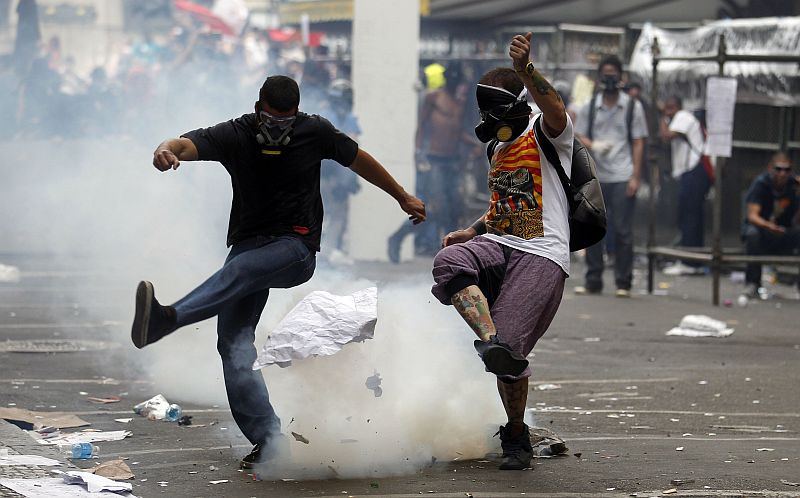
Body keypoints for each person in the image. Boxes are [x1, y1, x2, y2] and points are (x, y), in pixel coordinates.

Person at [131, 75, 425, 469]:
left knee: (242, 269)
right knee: (232, 343)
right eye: (271, 122)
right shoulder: (235, 133)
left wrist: (402, 195)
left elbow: (358, 159)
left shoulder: (315, 130)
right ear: (258, 110)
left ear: (297, 115)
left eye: (286, 124)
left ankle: (168, 319)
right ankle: (269, 441)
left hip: (295, 249)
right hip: (248, 244)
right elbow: (185, 144)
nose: (278, 132)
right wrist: (165, 150)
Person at [431, 32, 571, 470]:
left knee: (510, 359)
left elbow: (556, 108)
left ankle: (516, 434)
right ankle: (492, 342)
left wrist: (527, 69)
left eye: (494, 109)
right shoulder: (496, 146)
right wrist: (469, 231)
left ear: (513, 105)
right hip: (499, 242)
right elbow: (504, 205)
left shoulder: (546, 134)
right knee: (449, 261)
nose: (487, 118)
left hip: (543, 252)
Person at [575, 55, 648, 297]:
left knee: (623, 230)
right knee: (594, 228)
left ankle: (623, 283)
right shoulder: (590, 106)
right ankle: (593, 280)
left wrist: (635, 177)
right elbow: (578, 134)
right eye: (605, 73)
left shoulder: (632, 106)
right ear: (599, 78)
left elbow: (638, 142)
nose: (609, 78)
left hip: (622, 173)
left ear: (620, 78)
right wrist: (595, 145)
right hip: (596, 175)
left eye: (613, 73)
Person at [387, 62, 469, 262]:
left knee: (454, 209)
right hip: (434, 159)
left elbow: (456, 132)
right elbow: (422, 126)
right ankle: (398, 237)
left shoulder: (459, 103)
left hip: (452, 161)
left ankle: (448, 253)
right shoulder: (434, 98)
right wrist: (418, 152)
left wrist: (473, 145)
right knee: (435, 207)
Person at [659, 95, 712, 276]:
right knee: (693, 216)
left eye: (671, 107)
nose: (669, 111)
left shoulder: (683, 117)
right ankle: (694, 261)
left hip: (694, 170)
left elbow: (666, 136)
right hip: (694, 171)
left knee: (688, 216)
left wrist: (662, 117)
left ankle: (689, 261)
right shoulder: (682, 118)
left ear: (679, 107)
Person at [741, 151, 800, 298]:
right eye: (779, 169)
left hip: (784, 231)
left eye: (786, 170)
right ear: (770, 169)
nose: (782, 174)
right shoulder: (761, 184)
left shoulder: (794, 185)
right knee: (752, 233)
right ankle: (753, 283)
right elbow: (752, 216)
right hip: (763, 230)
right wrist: (769, 226)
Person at [319, 78, 361, 260]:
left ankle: (324, 255)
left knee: (334, 214)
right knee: (328, 215)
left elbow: (352, 148)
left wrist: (348, 180)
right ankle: (321, 253)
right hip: (324, 174)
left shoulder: (347, 119)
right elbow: (350, 150)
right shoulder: (325, 117)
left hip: (334, 175)